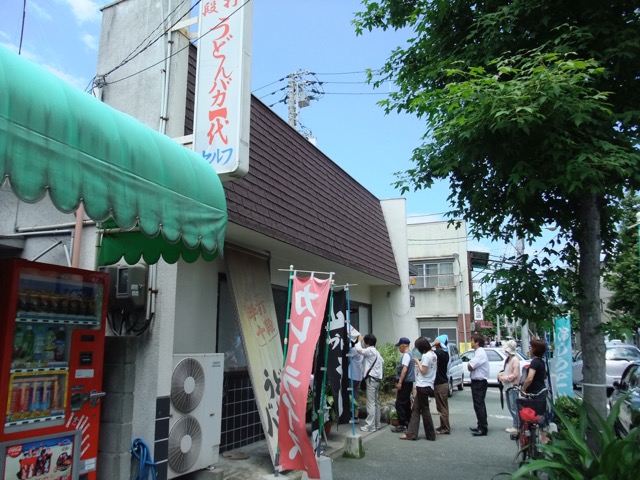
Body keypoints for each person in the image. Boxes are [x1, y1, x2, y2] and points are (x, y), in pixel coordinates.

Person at [399, 337, 437, 441]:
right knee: (416, 409)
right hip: (428, 384)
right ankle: (412, 433)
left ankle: (429, 434)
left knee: (424, 410)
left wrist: (417, 362)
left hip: (423, 385)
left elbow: (423, 370)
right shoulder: (433, 355)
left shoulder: (426, 356)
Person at [354, 333, 384, 432]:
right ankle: (377, 424)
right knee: (376, 403)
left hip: (371, 380)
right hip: (377, 379)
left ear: (366, 343)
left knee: (371, 403)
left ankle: (370, 426)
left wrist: (358, 341)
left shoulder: (370, 350)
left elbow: (359, 350)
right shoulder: (377, 352)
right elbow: (382, 362)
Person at [521, 338, 548, 442]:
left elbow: (529, 378)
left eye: (531, 347)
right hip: (542, 392)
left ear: (535, 349)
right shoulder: (541, 362)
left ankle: (531, 439)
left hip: (534, 393)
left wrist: (523, 389)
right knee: (541, 418)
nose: (530, 349)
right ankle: (545, 442)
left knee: (530, 416)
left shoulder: (534, 362)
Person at [467, 334, 490, 436]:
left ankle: (483, 427)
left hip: (479, 381)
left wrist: (469, 364)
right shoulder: (477, 352)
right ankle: (480, 425)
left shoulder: (480, 353)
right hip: (478, 381)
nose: (471, 342)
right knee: (478, 404)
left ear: (477, 342)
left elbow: (470, 366)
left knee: (479, 404)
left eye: (472, 340)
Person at [497, 339, 521, 434]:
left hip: (512, 386)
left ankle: (517, 426)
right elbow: (508, 371)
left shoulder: (514, 360)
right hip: (508, 386)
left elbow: (515, 375)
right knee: (511, 407)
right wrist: (502, 375)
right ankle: (516, 425)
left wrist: (504, 378)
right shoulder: (509, 359)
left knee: (513, 407)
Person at [392, 337, 415, 433]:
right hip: (409, 382)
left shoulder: (406, 355)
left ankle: (402, 424)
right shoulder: (411, 354)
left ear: (403, 345)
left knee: (399, 404)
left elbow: (404, 369)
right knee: (406, 403)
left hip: (405, 382)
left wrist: (400, 382)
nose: (399, 348)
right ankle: (409, 422)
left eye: (399, 346)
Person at [433, 334, 451, 434]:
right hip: (442, 383)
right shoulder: (444, 353)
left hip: (440, 384)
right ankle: (443, 426)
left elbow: (426, 350)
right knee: (442, 406)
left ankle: (445, 428)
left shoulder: (440, 354)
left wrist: (433, 343)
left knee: (442, 407)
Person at [348, 327, 364, 423]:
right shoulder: (361, 349)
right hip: (358, 376)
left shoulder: (353, 350)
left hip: (351, 375)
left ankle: (351, 416)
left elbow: (347, 360)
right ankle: (356, 416)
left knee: (350, 396)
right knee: (356, 396)